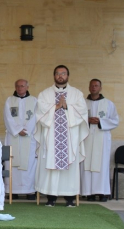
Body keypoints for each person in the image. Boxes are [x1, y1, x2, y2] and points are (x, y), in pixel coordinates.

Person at [34, 65, 89, 207]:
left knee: (70, 166)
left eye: (63, 73)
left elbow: (82, 111)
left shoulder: (77, 94)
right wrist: (56, 107)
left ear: (68, 76)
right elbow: (40, 111)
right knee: (51, 165)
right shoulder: (45, 94)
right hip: (51, 138)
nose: (60, 76)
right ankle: (50, 198)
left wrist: (67, 107)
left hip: (70, 138)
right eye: (58, 73)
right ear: (54, 76)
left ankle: (70, 199)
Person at [80, 79, 119, 202]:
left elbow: (115, 120)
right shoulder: (82, 103)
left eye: (96, 86)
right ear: (89, 87)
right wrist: (87, 119)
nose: (94, 88)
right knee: (86, 164)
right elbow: (76, 119)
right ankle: (88, 192)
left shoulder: (108, 104)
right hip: (86, 139)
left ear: (100, 88)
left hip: (101, 139)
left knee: (101, 165)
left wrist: (100, 121)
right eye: (91, 86)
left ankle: (102, 193)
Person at [3, 79, 37, 200]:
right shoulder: (9, 100)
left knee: (29, 162)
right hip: (14, 136)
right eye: (17, 86)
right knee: (12, 163)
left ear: (27, 87)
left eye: (22, 86)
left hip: (29, 136)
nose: (20, 88)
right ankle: (13, 190)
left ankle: (30, 190)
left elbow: (35, 117)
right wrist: (17, 130)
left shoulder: (34, 101)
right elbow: (7, 117)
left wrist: (26, 130)